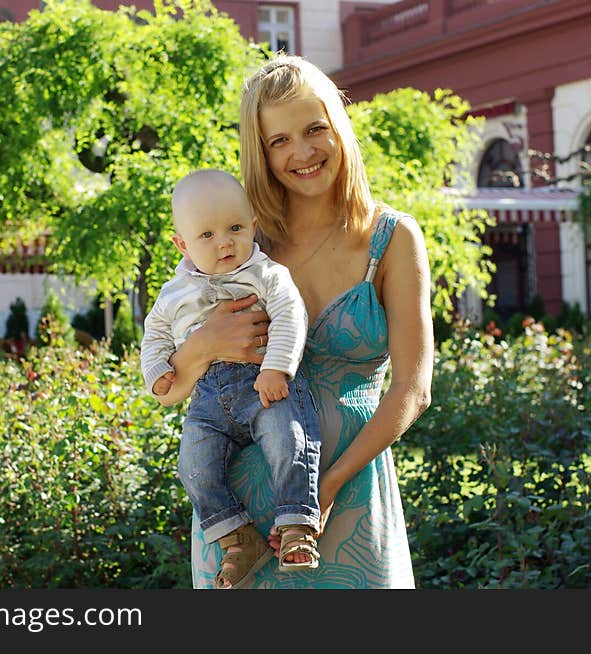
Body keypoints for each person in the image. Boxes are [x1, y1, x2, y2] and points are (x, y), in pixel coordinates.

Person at [164, 54, 434, 588]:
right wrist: (204, 346)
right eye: (279, 141)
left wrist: (325, 487)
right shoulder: (232, 241)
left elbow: (413, 388)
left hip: (349, 501)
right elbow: (170, 388)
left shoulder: (392, 239)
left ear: (339, 128)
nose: (302, 153)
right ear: (260, 152)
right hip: (239, 517)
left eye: (315, 130)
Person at [141, 168, 322, 589]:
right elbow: (155, 335)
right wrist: (157, 373)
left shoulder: (266, 273)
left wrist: (277, 366)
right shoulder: (173, 293)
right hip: (207, 400)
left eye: (235, 228)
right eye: (206, 235)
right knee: (194, 467)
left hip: (264, 381)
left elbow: (291, 315)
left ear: (253, 227)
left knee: (288, 437)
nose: (224, 241)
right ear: (182, 244)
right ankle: (236, 539)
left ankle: (297, 523)